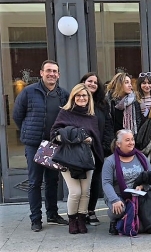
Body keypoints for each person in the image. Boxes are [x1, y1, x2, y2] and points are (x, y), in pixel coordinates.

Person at [13, 60, 69, 232]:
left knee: (53, 181)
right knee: (35, 182)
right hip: (34, 144)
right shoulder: (29, 92)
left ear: (58, 75)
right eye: (48, 71)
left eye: (55, 71)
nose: (52, 74)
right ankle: (35, 219)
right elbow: (17, 115)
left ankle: (52, 214)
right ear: (41, 73)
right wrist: (29, 132)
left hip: (54, 144)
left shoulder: (63, 94)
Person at [50, 83, 104, 234]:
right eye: (78, 95)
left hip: (87, 157)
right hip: (67, 157)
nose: (81, 98)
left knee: (86, 191)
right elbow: (54, 135)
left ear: (89, 98)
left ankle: (81, 218)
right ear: (73, 97)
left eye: (84, 96)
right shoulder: (65, 113)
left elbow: (95, 138)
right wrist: (74, 136)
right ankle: (72, 220)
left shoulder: (91, 117)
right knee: (75, 192)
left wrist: (90, 140)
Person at [102, 129, 151, 235]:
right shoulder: (110, 161)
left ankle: (128, 220)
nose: (131, 142)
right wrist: (114, 199)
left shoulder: (141, 157)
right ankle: (115, 221)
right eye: (127, 140)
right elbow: (106, 183)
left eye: (132, 139)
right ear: (118, 144)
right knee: (119, 210)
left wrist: (143, 186)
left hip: (138, 194)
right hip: (118, 194)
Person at [79, 72, 114, 226]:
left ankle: (91, 211)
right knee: (80, 183)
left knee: (94, 181)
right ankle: (80, 213)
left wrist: (106, 145)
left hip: (98, 148)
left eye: (95, 82)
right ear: (83, 83)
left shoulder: (102, 104)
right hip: (79, 150)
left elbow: (108, 126)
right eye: (89, 81)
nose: (92, 84)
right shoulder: (77, 100)